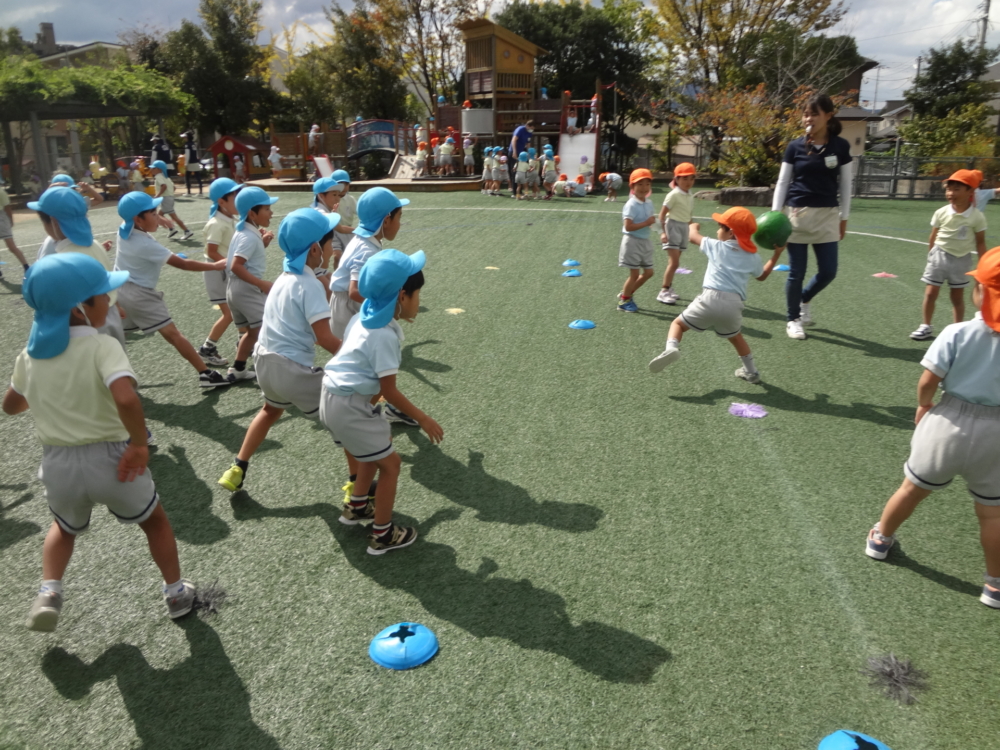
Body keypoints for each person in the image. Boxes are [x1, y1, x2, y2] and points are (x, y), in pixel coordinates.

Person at [3, 253, 196, 631]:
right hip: (113, 459)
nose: (110, 300)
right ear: (80, 307)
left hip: (58, 464)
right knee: (155, 522)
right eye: (103, 295)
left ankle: (49, 591)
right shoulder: (101, 347)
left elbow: (11, 406)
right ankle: (175, 593)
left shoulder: (28, 356)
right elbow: (125, 397)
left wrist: (43, 387)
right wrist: (139, 444)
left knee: (63, 527)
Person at [865, 248, 1000, 610]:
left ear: (982, 292)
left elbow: (929, 381)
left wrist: (924, 405)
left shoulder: (957, 333)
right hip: (997, 434)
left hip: (949, 420)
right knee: (992, 513)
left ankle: (881, 537)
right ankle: (995, 584)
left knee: (911, 489)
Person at [320, 248, 443, 554]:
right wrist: (423, 418)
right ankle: (383, 535)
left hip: (332, 398)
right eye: (417, 295)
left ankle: (357, 506)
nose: (419, 302)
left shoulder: (362, 318)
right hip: (350, 407)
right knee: (391, 465)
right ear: (402, 297)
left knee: (371, 454)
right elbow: (391, 391)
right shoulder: (384, 337)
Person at [218, 208, 344, 492]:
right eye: (328, 241)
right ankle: (356, 491)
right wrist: (355, 357)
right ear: (315, 249)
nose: (331, 247)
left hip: (264, 362)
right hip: (292, 370)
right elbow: (324, 338)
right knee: (344, 418)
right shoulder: (309, 284)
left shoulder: (283, 279)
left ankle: (238, 467)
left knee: (269, 411)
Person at [649, 207, 784, 384]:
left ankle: (671, 348)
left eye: (721, 227)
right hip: (733, 304)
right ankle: (751, 372)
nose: (717, 230)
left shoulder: (716, 246)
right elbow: (762, 276)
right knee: (736, 337)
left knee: (678, 325)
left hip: (709, 299)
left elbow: (692, 236)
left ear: (731, 233)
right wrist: (776, 255)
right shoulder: (753, 257)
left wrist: (693, 226)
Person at [113, 192, 231, 389]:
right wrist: (215, 265)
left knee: (118, 337)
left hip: (120, 290)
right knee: (173, 334)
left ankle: (112, 377)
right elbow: (183, 265)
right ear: (138, 218)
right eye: (153, 213)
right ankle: (206, 374)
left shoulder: (124, 230)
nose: (157, 217)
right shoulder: (144, 243)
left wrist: (163, 222)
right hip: (140, 295)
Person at [771, 93, 853, 340]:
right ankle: (793, 318)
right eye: (806, 113)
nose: (809, 118)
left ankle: (804, 298)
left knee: (829, 271)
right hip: (797, 214)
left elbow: (847, 184)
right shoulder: (794, 146)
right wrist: (777, 217)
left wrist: (844, 217)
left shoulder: (840, 146)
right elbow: (783, 182)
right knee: (797, 271)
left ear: (829, 115)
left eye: (815, 113)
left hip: (828, 216)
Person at [27, 187, 125, 349]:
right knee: (117, 364)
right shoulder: (95, 245)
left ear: (54, 222)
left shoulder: (62, 259)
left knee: (95, 368)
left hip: (88, 322)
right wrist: (117, 305)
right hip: (110, 313)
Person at [910, 170, 987, 341]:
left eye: (956, 189)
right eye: (948, 189)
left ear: (970, 192)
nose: (950, 193)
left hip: (961, 260)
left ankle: (956, 331)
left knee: (957, 297)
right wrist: (931, 254)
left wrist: (984, 265)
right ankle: (926, 326)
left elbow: (980, 242)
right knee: (930, 293)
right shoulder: (941, 212)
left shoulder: (977, 217)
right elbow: (933, 235)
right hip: (939, 256)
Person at [226, 186, 280, 383]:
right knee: (269, 329)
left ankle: (238, 368)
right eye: (266, 209)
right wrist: (262, 284)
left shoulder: (244, 231)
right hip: (245, 289)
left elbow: (244, 260)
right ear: (252, 213)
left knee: (252, 332)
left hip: (235, 290)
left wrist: (262, 242)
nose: (271, 212)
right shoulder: (248, 236)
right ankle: (271, 371)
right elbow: (236, 266)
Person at [199, 178, 243, 368]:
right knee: (230, 314)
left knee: (238, 308)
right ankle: (207, 348)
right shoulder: (217, 223)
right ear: (221, 202)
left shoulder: (229, 220)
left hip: (225, 270)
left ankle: (243, 341)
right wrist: (229, 265)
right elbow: (211, 251)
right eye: (235, 196)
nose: (239, 200)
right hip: (217, 272)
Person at [616, 169, 658, 312]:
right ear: (632, 187)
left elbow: (650, 221)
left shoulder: (649, 202)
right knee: (634, 274)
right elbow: (628, 226)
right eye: (640, 184)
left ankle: (626, 294)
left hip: (645, 241)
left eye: (647, 184)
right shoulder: (631, 204)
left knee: (649, 273)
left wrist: (659, 228)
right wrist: (647, 223)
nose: (644, 188)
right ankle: (624, 302)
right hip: (632, 241)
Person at [656, 162, 697, 305]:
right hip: (672, 226)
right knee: (674, 263)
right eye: (684, 178)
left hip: (683, 228)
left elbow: (688, 214)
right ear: (677, 179)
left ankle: (668, 287)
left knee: (673, 263)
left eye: (691, 178)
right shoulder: (673, 195)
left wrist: (691, 226)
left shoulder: (690, 194)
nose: (688, 182)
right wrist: (662, 233)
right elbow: (661, 216)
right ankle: (663, 291)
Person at [149, 160, 194, 241]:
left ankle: (187, 231)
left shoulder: (158, 176)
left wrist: (157, 196)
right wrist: (169, 195)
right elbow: (173, 188)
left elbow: (164, 186)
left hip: (166, 199)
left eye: (153, 168)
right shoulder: (166, 177)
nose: (151, 170)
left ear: (159, 169)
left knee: (172, 217)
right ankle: (172, 229)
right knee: (159, 215)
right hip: (168, 198)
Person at [0, 179, 31, 277]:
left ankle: (26, 267)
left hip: (1, 219)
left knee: (11, 246)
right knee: (11, 246)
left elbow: (7, 207)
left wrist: (10, 220)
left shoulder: (1, 192)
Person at [329, 170, 358, 261]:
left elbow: (360, 213)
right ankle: (336, 275)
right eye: (340, 184)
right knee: (337, 256)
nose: (344, 187)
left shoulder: (351, 199)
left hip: (347, 231)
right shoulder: (329, 199)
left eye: (346, 184)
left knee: (349, 258)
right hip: (333, 232)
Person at [509, 121, 534, 195]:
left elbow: (528, 144)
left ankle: (520, 191)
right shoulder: (520, 129)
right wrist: (514, 151)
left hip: (522, 153)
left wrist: (530, 155)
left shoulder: (529, 133)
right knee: (515, 172)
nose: (531, 129)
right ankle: (514, 192)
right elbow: (514, 140)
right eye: (531, 127)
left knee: (522, 171)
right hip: (514, 151)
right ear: (527, 125)